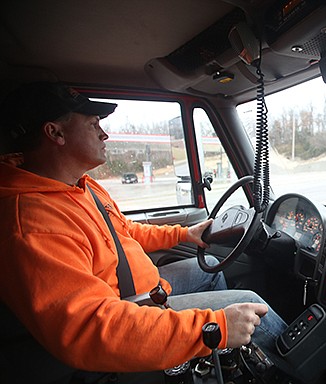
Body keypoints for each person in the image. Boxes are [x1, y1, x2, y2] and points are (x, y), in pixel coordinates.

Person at [0, 82, 288, 383]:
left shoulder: (81, 187)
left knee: (210, 273)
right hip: (125, 311)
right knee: (253, 305)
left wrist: (183, 235)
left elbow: (123, 232)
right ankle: (302, 371)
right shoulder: (31, 225)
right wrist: (214, 327)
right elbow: (88, 328)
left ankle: (217, 359)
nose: (104, 134)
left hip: (143, 290)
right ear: (55, 133)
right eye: (93, 124)